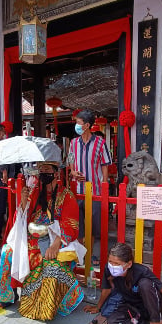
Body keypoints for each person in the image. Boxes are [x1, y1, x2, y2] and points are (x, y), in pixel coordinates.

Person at [0, 161, 85, 321]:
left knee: (50, 264)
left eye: (47, 169)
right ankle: (8, 296)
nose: (43, 172)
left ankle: (45, 303)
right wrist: (23, 202)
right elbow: (20, 221)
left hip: (55, 242)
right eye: (41, 170)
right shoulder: (34, 193)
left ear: (56, 173)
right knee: (7, 251)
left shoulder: (66, 196)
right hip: (32, 239)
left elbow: (71, 225)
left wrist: (55, 244)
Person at [84, 242, 162, 324]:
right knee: (112, 321)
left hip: (153, 305)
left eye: (117, 263)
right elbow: (106, 289)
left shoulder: (142, 271)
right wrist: (98, 307)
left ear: (129, 264)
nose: (112, 266)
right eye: (110, 262)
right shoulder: (108, 269)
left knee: (145, 284)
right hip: (133, 306)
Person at [68, 110, 111, 256]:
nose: (76, 125)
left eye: (78, 123)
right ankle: (80, 253)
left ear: (87, 125)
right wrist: (73, 172)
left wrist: (104, 184)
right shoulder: (73, 143)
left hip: (95, 191)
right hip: (78, 191)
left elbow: (105, 165)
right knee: (78, 225)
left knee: (94, 225)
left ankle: (94, 253)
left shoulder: (100, 143)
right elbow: (71, 162)